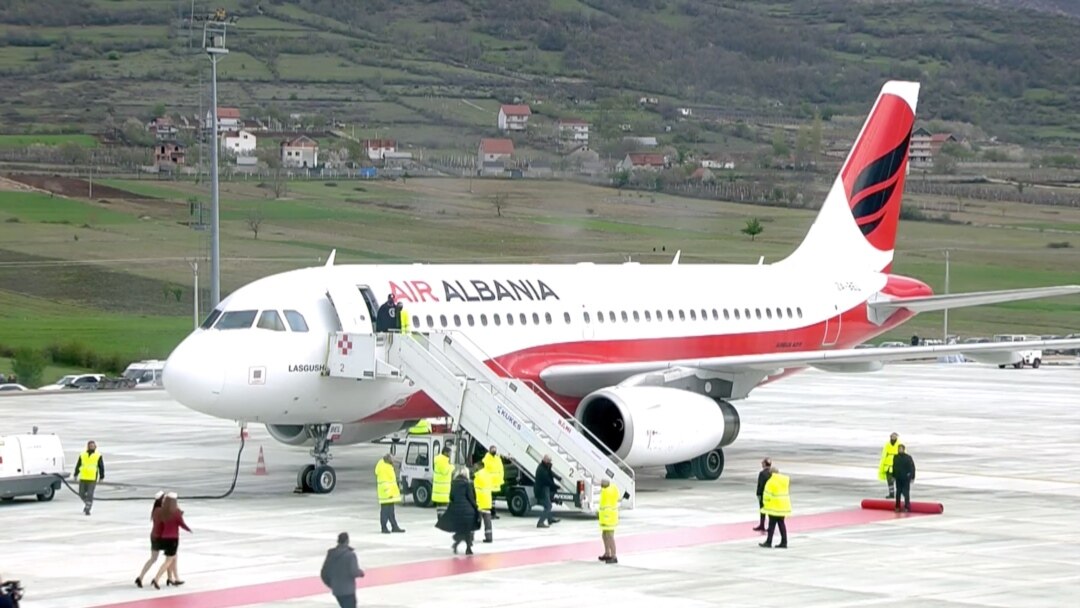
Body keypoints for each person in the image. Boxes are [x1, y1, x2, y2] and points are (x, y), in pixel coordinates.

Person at [150, 493, 191, 589]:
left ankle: (172, 578)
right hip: (173, 539)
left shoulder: (164, 511)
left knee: (173, 558)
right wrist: (189, 530)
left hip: (164, 538)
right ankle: (157, 578)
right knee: (169, 560)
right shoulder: (175, 512)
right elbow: (181, 522)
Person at [437, 467, 480, 555]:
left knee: (461, 529)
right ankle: (468, 548)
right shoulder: (468, 484)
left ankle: (456, 542)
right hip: (468, 511)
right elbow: (471, 498)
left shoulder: (453, 484)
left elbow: (451, 497)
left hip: (456, 511)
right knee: (468, 529)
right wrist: (476, 508)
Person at [320, 532, 365, 608]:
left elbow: (324, 572)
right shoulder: (350, 555)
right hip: (348, 590)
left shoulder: (331, 554)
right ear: (347, 541)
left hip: (337, 589)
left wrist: (331, 584)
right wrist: (361, 573)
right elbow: (354, 571)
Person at [135, 491, 167, 588]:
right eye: (164, 498)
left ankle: (140, 577)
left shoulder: (155, 510)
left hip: (154, 536)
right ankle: (162, 578)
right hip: (160, 537)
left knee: (154, 558)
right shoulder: (160, 511)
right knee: (171, 557)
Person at [759, 467, 791, 549]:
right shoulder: (784, 481)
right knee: (781, 524)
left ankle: (768, 542)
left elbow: (767, 495)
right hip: (783, 506)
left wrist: (765, 504)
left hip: (774, 507)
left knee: (771, 525)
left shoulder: (770, 482)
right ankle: (784, 542)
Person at [375, 454, 405, 534]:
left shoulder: (385, 465)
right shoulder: (385, 467)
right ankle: (384, 527)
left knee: (390, 511)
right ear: (388, 460)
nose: (393, 461)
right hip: (386, 493)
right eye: (392, 459)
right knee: (385, 512)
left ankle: (394, 526)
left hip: (388, 492)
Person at [74, 440, 105, 516]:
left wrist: (101, 477)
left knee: (90, 494)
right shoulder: (82, 454)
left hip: (92, 478)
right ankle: (87, 503)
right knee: (81, 493)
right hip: (83, 477)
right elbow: (78, 464)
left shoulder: (98, 455)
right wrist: (76, 474)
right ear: (88, 446)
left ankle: (88, 508)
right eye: (90, 446)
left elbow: (101, 467)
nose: (92, 447)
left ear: (95, 447)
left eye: (93, 446)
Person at [533, 455, 561, 529]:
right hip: (542, 490)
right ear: (545, 461)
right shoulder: (541, 469)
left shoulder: (545, 467)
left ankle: (550, 519)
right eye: (549, 461)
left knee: (548, 504)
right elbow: (547, 481)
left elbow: (551, 473)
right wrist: (556, 486)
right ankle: (540, 522)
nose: (550, 462)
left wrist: (558, 477)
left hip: (545, 489)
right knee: (548, 506)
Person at [598, 478, 620, 564]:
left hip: (610, 518)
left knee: (610, 536)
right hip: (606, 517)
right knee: (605, 535)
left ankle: (614, 556)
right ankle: (607, 553)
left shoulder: (608, 492)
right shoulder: (611, 490)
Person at [473, 462, 494, 543]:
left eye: (476, 466)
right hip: (487, 501)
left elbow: (475, 489)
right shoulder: (489, 475)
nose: (475, 468)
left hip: (480, 501)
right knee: (487, 521)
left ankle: (470, 537)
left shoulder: (477, 476)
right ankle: (489, 537)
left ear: (479, 467)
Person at [891, 444, 916, 512]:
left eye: (901, 449)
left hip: (906, 478)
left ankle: (907, 507)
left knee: (906, 493)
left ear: (904, 449)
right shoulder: (895, 457)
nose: (900, 450)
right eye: (899, 449)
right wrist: (893, 476)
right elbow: (894, 467)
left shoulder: (908, 457)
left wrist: (912, 477)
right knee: (898, 493)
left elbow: (912, 468)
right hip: (898, 478)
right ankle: (897, 507)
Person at [482, 445, 505, 519]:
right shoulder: (487, 458)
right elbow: (488, 467)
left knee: (493, 500)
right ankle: (490, 514)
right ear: (489, 450)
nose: (494, 451)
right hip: (490, 482)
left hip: (496, 483)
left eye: (495, 450)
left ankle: (493, 513)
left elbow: (501, 469)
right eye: (493, 450)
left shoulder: (497, 459)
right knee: (489, 499)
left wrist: (501, 478)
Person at [432, 446, 453, 522]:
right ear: (445, 453)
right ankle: (442, 520)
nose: (450, 455)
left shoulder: (438, 460)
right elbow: (445, 471)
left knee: (440, 507)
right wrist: (452, 467)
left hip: (439, 489)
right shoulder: (442, 461)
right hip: (443, 489)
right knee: (444, 507)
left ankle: (440, 520)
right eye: (449, 453)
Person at [752, 457, 772, 532]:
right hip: (771, 495)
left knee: (762, 510)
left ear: (765, 464)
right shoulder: (772, 473)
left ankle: (762, 525)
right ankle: (770, 526)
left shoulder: (762, 473)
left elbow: (760, 485)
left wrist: (758, 494)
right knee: (770, 511)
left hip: (763, 494)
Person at [879, 432, 901, 498]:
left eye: (895, 436)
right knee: (889, 481)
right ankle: (891, 494)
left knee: (897, 480)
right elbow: (883, 454)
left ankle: (898, 493)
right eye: (892, 436)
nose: (893, 437)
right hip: (888, 466)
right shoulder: (887, 444)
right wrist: (882, 464)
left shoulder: (899, 444)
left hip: (896, 465)